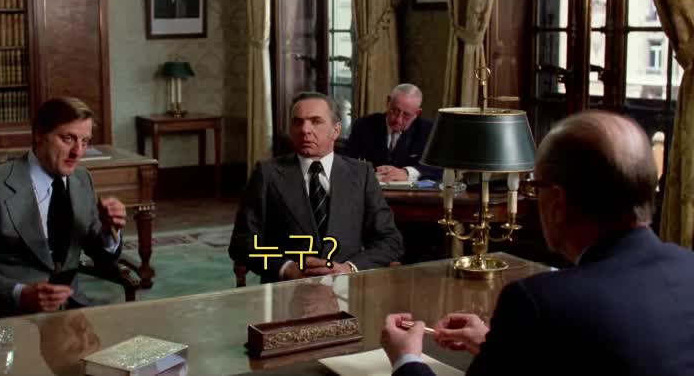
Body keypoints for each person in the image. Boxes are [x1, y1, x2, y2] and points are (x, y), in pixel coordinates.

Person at [381, 110, 694, 375]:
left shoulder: (538, 303)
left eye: (535, 187)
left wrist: (407, 358)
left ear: (558, 201)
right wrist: (497, 344)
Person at [0, 97, 127, 319]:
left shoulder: (82, 180)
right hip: (10, 313)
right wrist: (20, 293)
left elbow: (102, 258)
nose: (78, 152)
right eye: (68, 138)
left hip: (72, 310)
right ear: (39, 134)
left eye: (85, 141)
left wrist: (109, 231)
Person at [229, 92, 403, 283]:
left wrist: (348, 268)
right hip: (286, 289)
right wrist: (286, 268)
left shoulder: (362, 173)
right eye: (298, 122)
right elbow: (242, 243)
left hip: (346, 287)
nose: (305, 130)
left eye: (316, 121)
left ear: (335, 130)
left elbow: (390, 240)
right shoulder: (267, 173)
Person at [344, 84, 441, 182]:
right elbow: (346, 160)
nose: (398, 120)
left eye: (406, 115)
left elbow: (439, 168)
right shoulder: (364, 125)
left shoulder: (429, 130)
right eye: (395, 111)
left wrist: (406, 172)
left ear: (417, 113)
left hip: (409, 190)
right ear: (388, 102)